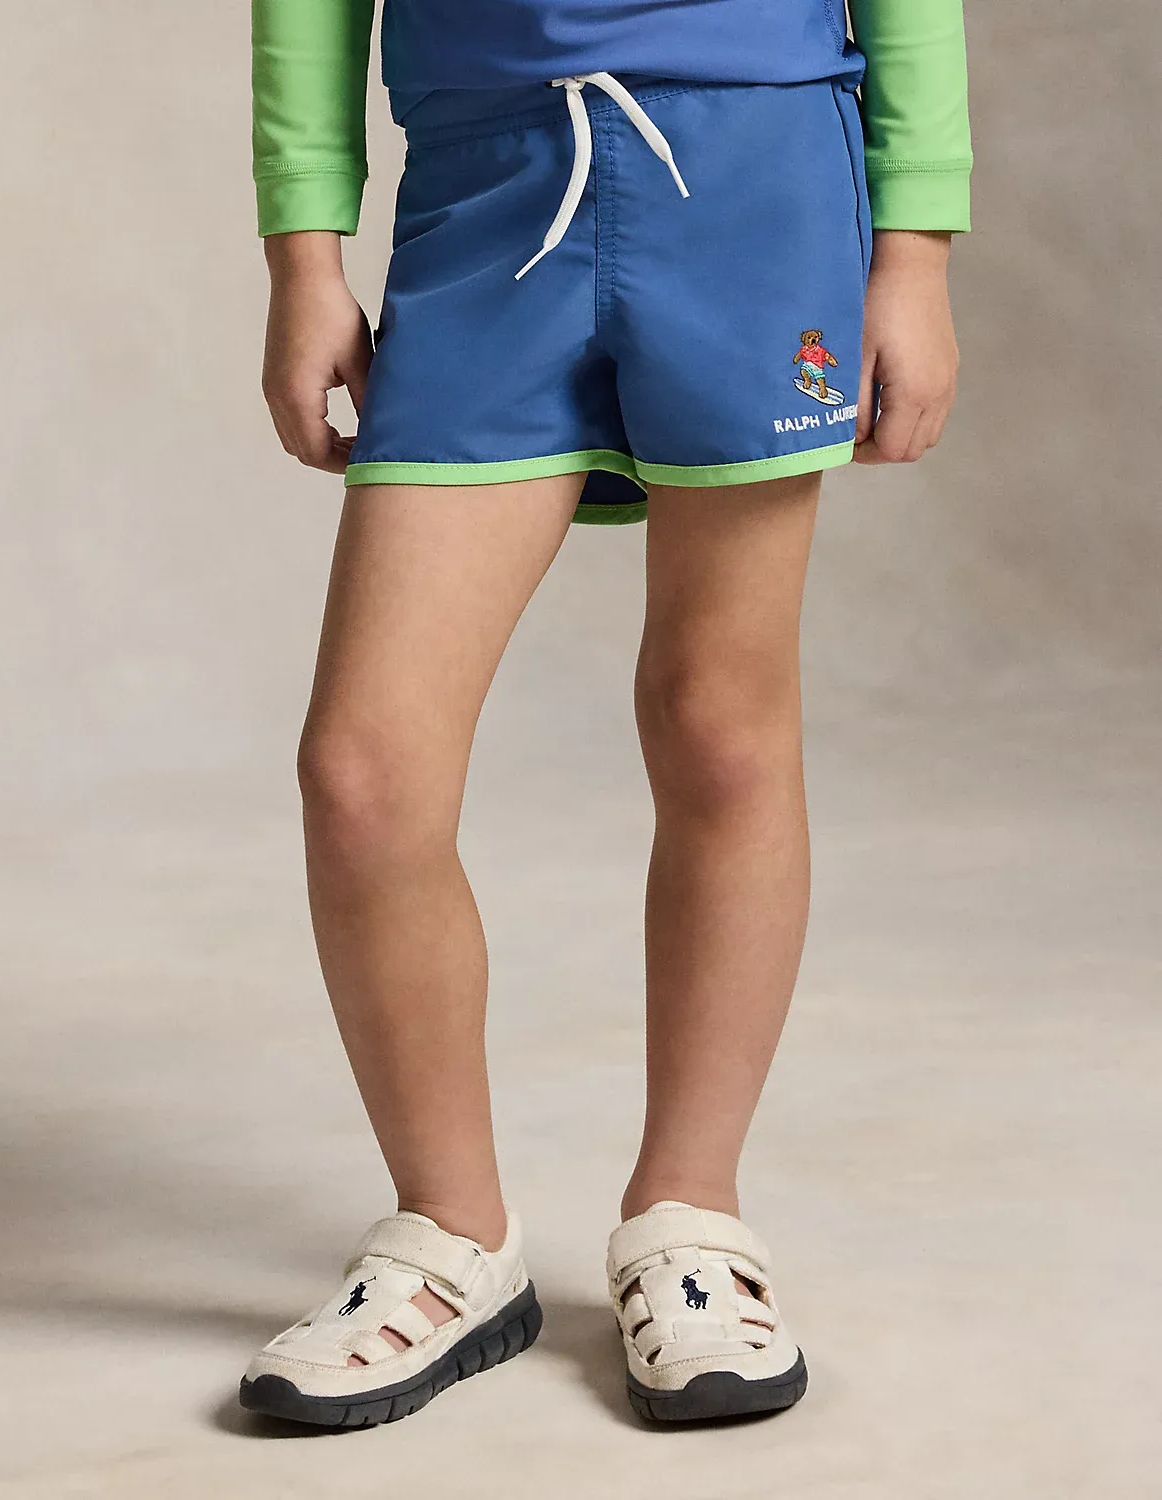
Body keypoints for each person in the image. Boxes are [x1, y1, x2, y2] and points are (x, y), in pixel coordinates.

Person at [239, 0, 971, 1428]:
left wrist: (917, 247)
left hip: (753, 175)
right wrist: (303, 251)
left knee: (717, 723)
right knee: (364, 772)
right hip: (485, 181)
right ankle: (452, 1237)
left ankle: (692, 1218)